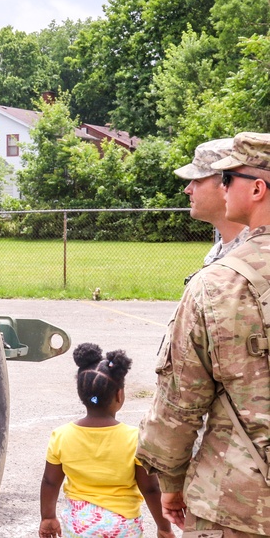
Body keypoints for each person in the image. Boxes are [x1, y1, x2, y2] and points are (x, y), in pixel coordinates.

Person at [138, 131, 270, 537]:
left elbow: (180, 401)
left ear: (257, 188)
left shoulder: (218, 284)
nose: (219, 185)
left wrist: (172, 485)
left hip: (240, 502)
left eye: (226, 178)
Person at [39, 343, 173, 538]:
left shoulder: (61, 435)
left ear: (81, 395)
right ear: (119, 395)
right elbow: (151, 489)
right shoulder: (134, 439)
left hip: (79, 524)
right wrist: (164, 528)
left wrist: (48, 517)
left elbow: (50, 482)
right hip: (121, 526)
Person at [174, 137, 248, 267]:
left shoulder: (255, 255)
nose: (187, 189)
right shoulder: (218, 251)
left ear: (227, 185)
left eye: (197, 180)